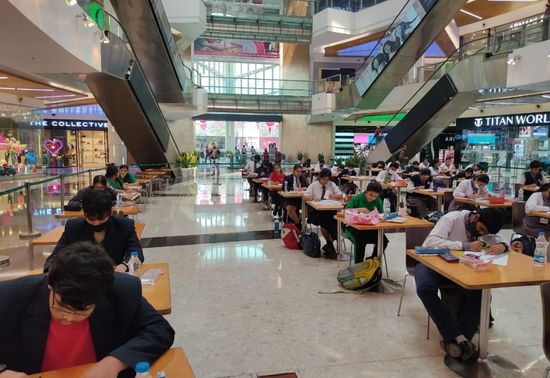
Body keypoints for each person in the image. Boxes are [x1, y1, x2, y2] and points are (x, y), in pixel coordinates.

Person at [0, 242, 174, 376]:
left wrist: (115, 362)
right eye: (60, 306)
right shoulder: (10, 298)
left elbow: (160, 330)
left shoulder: (121, 291)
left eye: (81, 312)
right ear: (50, 286)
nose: (68, 318)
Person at [415, 208, 509, 362]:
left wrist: (502, 246)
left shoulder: (484, 230)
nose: (480, 234)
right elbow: (430, 242)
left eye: (484, 233)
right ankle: (455, 336)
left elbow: (501, 240)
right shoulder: (452, 219)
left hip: (458, 268)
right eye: (480, 229)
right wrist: (464, 246)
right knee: (425, 288)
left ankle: (461, 341)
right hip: (432, 260)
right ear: (476, 217)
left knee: (479, 293)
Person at [44, 189, 144, 273]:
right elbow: (55, 257)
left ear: (109, 213)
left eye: (101, 219)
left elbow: (136, 252)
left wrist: (124, 266)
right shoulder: (74, 227)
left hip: (113, 279)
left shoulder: (124, 226)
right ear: (85, 213)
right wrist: (54, 271)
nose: (96, 223)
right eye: (91, 219)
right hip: (82, 281)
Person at [344, 181, 388, 263]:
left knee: (383, 240)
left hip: (370, 229)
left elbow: (381, 214)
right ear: (366, 191)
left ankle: (372, 261)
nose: (372, 198)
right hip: (353, 228)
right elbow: (346, 210)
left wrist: (381, 217)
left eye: (375, 196)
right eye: (371, 195)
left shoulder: (378, 201)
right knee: (360, 240)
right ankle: (358, 265)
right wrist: (360, 210)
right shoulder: (357, 198)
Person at [303, 168, 343, 259]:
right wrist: (313, 198)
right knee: (324, 221)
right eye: (324, 179)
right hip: (317, 211)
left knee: (334, 220)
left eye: (327, 179)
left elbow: (340, 195)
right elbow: (305, 197)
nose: (325, 181)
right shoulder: (314, 185)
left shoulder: (331, 184)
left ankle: (330, 244)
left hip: (330, 209)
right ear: (319, 177)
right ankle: (330, 243)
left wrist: (334, 196)